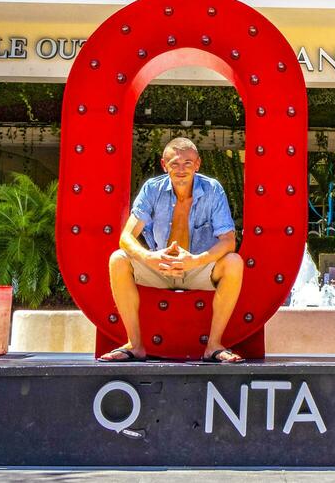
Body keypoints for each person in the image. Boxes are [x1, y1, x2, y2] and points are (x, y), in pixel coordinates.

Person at [103, 137, 244, 363]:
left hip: (198, 268)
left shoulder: (212, 190)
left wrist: (196, 261)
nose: (181, 169)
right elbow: (126, 237)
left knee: (234, 262)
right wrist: (149, 258)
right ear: (164, 164)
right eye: (175, 163)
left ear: (198, 164)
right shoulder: (152, 189)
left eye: (188, 163)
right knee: (118, 259)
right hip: (160, 267)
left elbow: (228, 241)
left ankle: (214, 345)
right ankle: (135, 345)